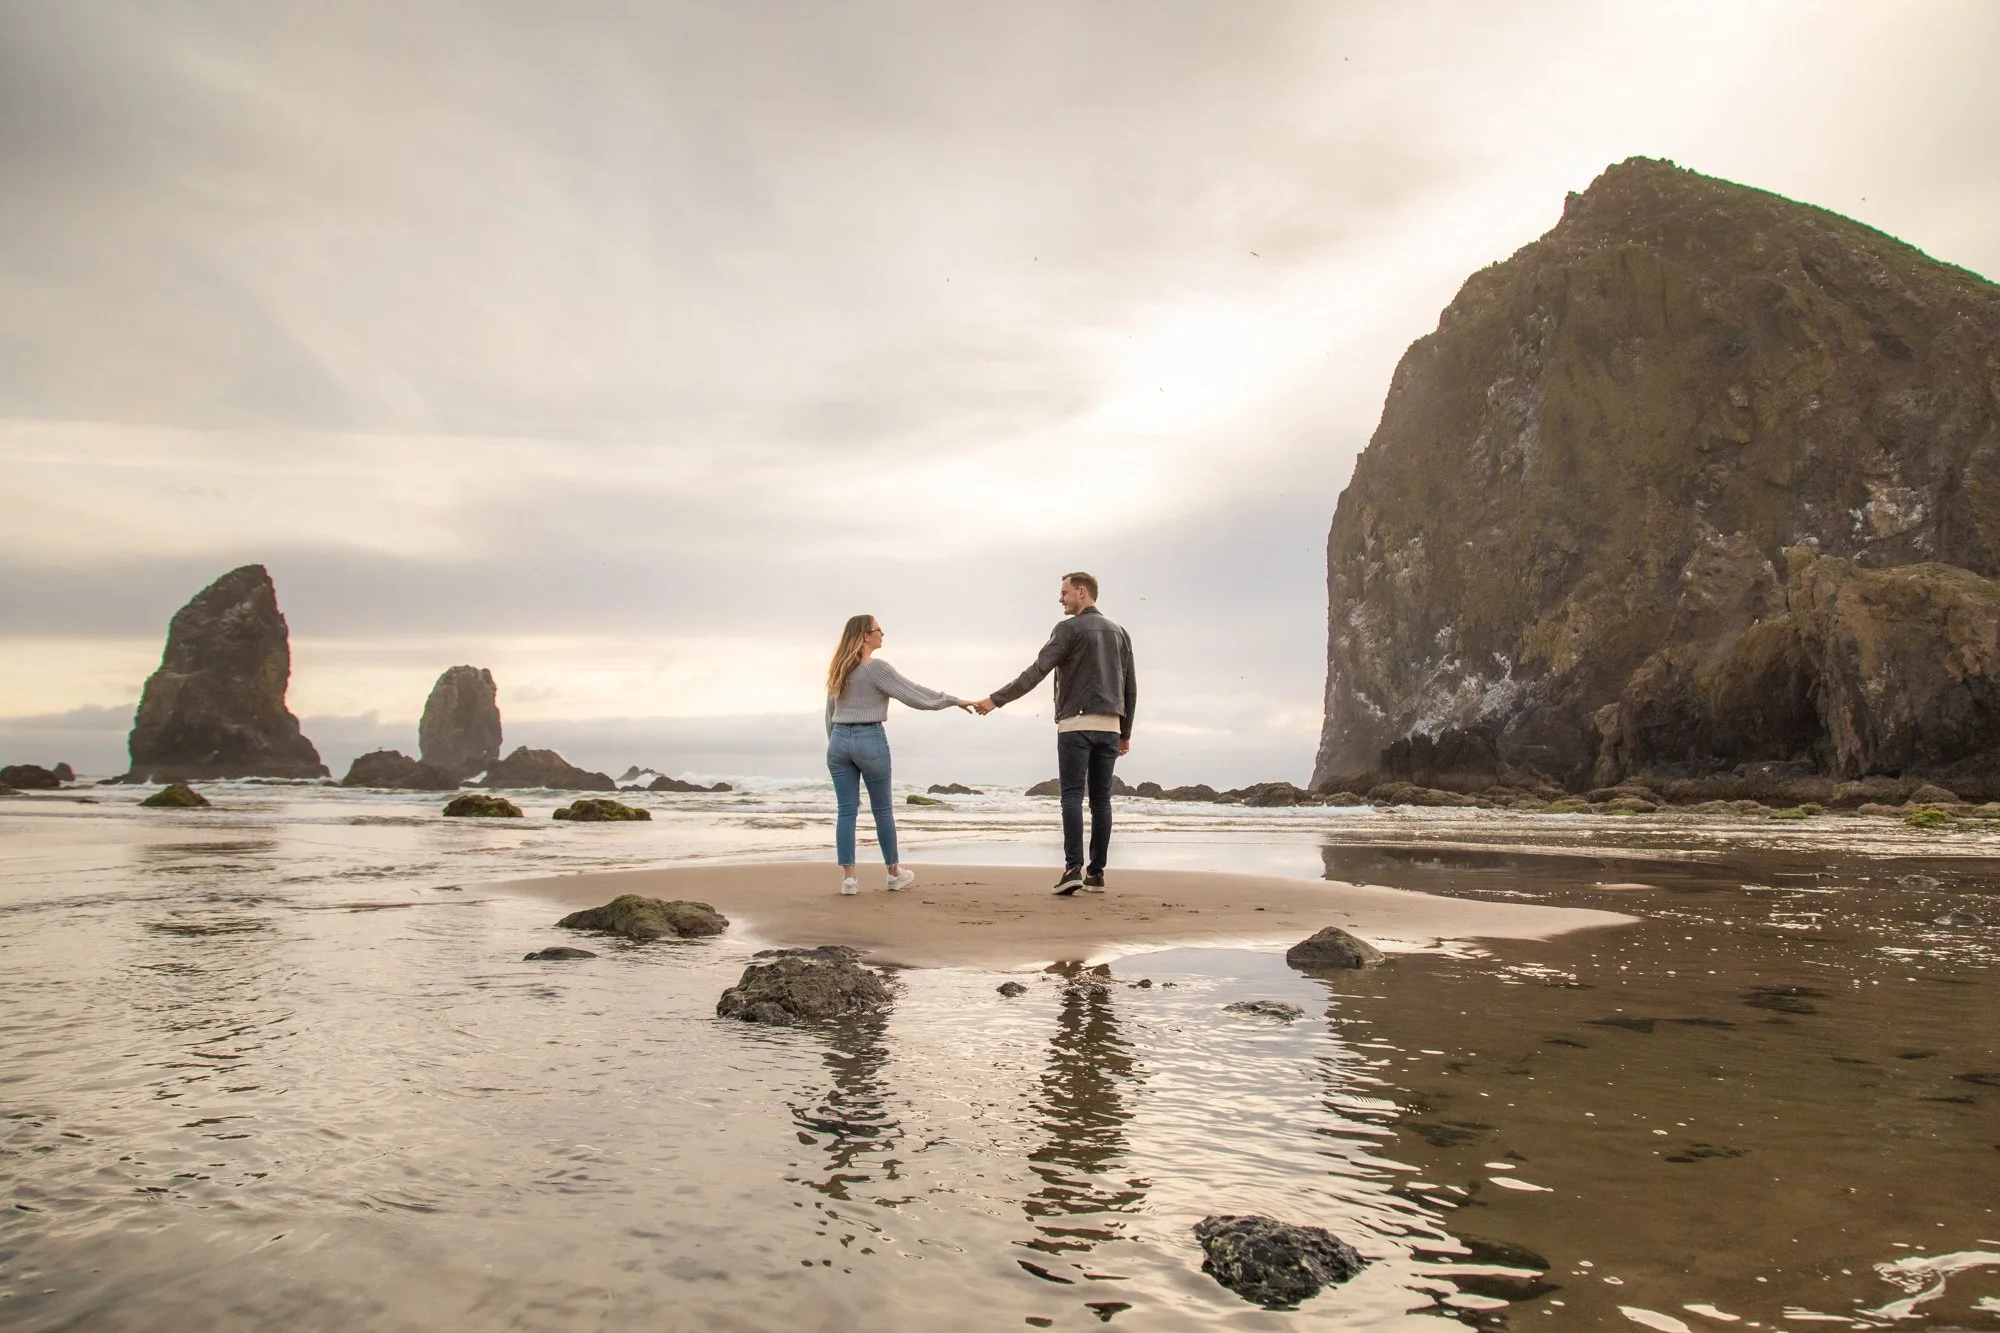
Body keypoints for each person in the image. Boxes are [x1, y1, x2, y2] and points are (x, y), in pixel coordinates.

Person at [971, 572, 1135, 895]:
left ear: (1082, 592)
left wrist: (995, 699)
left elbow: (1037, 671)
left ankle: (1073, 869)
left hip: (1076, 724)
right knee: (1101, 800)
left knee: (1072, 795)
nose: (1060, 598)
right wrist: (1125, 732)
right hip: (1111, 727)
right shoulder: (1120, 632)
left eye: (1064, 592)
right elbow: (1130, 686)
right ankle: (1096, 874)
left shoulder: (1068, 629)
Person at [825, 614, 966, 895]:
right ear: (865, 636)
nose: (883, 633)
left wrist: (837, 744)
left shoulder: (837, 668)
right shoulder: (876, 669)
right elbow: (913, 694)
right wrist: (954, 700)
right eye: (878, 629)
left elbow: (830, 713)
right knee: (882, 811)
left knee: (846, 811)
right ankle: (893, 874)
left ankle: (849, 880)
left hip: (838, 742)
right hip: (869, 739)